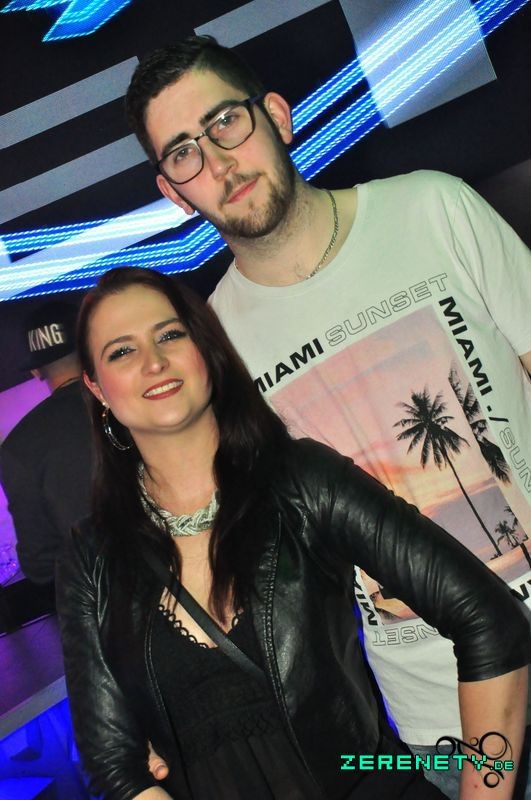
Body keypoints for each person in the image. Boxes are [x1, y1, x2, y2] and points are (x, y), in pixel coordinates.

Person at [125, 36, 531, 799]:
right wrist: (151, 701)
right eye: (183, 152)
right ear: (172, 190)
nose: (217, 162)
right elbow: (222, 551)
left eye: (225, 122)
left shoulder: (431, 208)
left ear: (276, 116)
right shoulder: (213, 351)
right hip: (437, 729)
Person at [55, 266, 529, 800]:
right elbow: (114, 764)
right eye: (122, 351)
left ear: (205, 348)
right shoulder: (91, 556)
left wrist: (486, 791)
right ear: (95, 387)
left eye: (170, 335)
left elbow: (490, 621)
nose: (154, 361)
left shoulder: (303, 480)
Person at [0, 301, 93, 588]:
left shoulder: (18, 446)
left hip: (115, 601)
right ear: (88, 350)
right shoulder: (130, 400)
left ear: (36, 371)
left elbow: (39, 563)